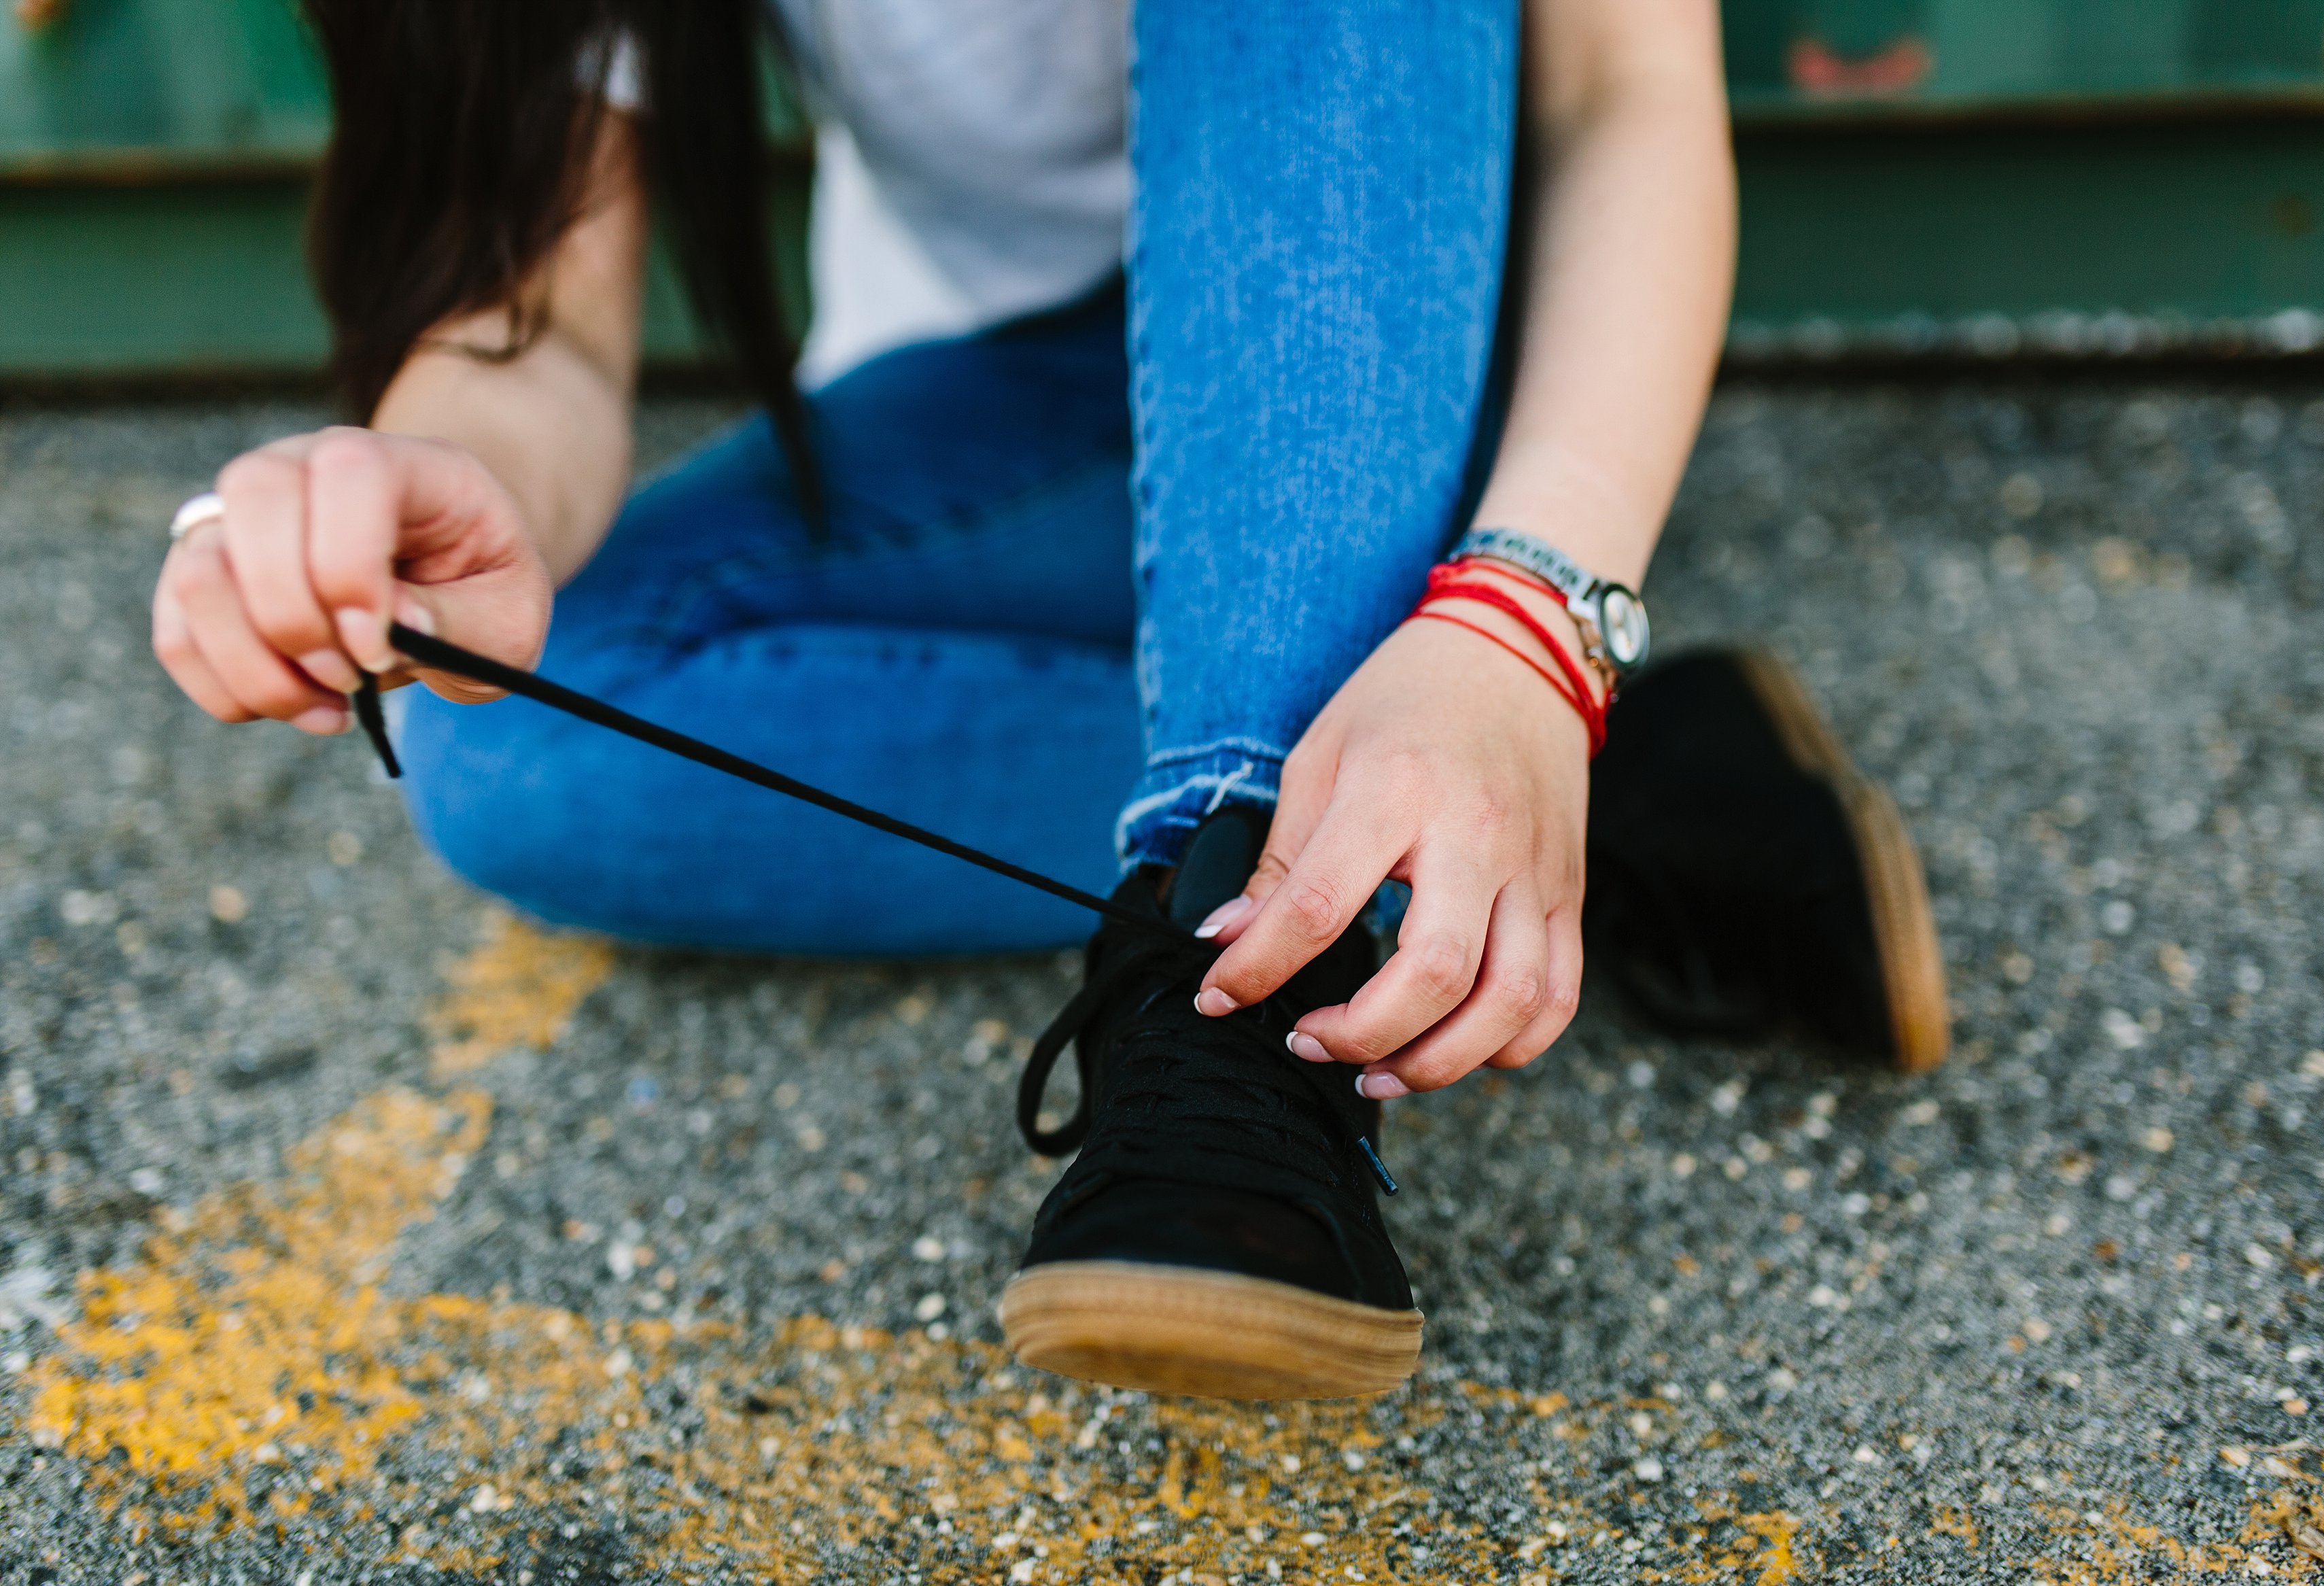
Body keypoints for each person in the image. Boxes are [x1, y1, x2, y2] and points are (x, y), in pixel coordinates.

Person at [151, 0, 1943, 1400]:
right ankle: (1528, 824)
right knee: (504, 732)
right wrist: (412, 481)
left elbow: (1615, 97)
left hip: (1424, 373)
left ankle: (1249, 950)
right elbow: (531, 318)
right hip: (1030, 413)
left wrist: (1526, 619)